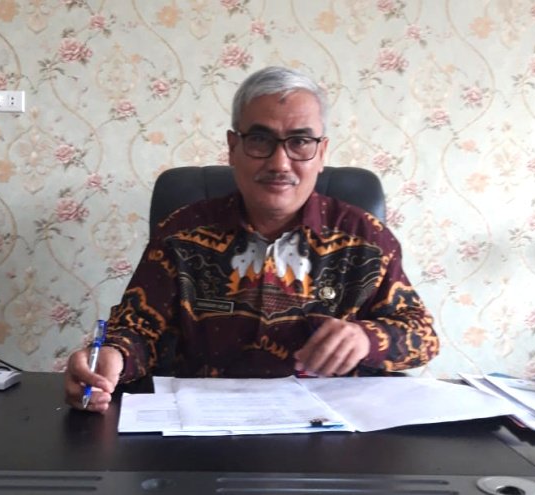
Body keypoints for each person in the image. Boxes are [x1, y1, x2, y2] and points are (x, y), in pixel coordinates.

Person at [65, 66, 439, 412]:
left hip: (328, 425)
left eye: (300, 142)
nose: (279, 163)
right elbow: (137, 329)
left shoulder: (365, 238)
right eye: (260, 140)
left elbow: (422, 336)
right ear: (233, 148)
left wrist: (366, 338)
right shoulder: (182, 234)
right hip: (204, 426)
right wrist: (112, 357)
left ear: (321, 152)